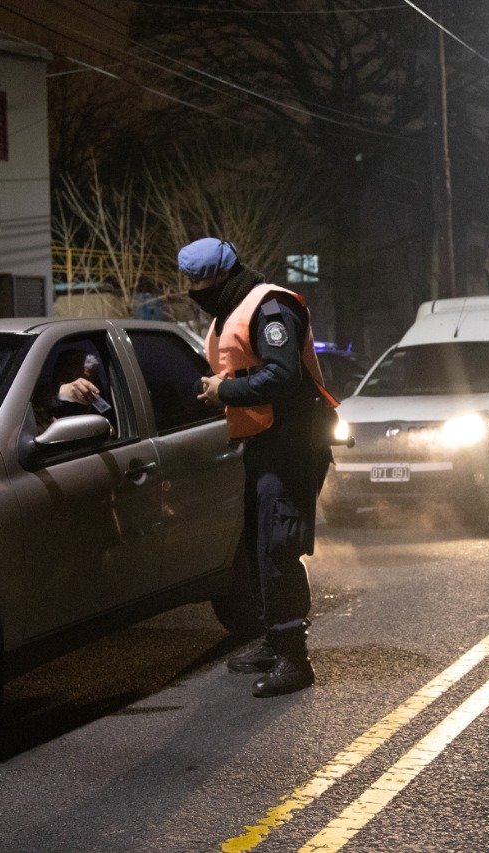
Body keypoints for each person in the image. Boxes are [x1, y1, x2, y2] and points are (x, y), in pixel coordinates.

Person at [180, 236, 337, 698]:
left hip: (292, 443)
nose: (194, 289)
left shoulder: (269, 307)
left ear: (223, 274)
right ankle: (274, 640)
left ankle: (295, 658)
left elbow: (284, 376)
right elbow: (242, 370)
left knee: (278, 548)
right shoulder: (230, 312)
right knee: (259, 545)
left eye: (200, 280)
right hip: (264, 442)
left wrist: (224, 393)